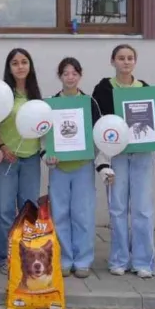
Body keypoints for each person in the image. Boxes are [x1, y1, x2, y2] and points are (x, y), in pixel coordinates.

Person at [92, 44, 155, 278]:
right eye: (121, 58)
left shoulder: (146, 89)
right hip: (115, 154)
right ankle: (119, 259)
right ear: (113, 61)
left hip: (141, 154)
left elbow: (153, 122)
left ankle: (144, 262)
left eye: (130, 58)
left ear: (135, 62)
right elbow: (97, 122)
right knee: (117, 208)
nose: (126, 62)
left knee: (143, 209)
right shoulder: (102, 89)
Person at [45, 57, 113, 279]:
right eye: (66, 73)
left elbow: (98, 135)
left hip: (83, 165)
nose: (70, 77)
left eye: (74, 73)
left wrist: (102, 165)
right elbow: (45, 137)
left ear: (80, 76)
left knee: (82, 215)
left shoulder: (89, 103)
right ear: (60, 76)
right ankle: (64, 259)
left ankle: (83, 260)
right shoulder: (51, 103)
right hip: (59, 168)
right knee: (61, 213)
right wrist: (47, 156)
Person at [0, 48, 44, 274]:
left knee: (28, 210)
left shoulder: (36, 96)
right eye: (15, 63)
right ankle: (5, 257)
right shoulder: (3, 94)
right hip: (7, 159)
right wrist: (2, 146)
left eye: (24, 62)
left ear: (29, 66)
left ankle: (27, 254)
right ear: (9, 67)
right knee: (4, 210)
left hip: (31, 159)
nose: (20, 66)